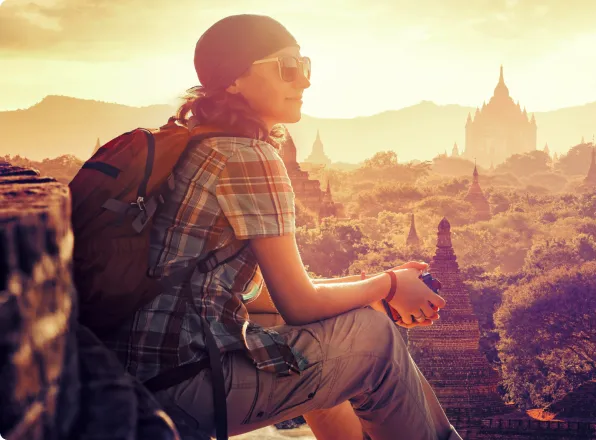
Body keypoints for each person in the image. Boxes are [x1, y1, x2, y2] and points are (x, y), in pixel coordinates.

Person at [98, 13, 464, 440]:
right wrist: (387, 285)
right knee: (375, 338)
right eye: (287, 68)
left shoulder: (193, 140)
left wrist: (380, 288)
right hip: (176, 391)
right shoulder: (248, 156)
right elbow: (300, 303)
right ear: (235, 81)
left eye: (305, 66)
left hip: (127, 379)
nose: (304, 81)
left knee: (342, 321)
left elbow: (264, 295)